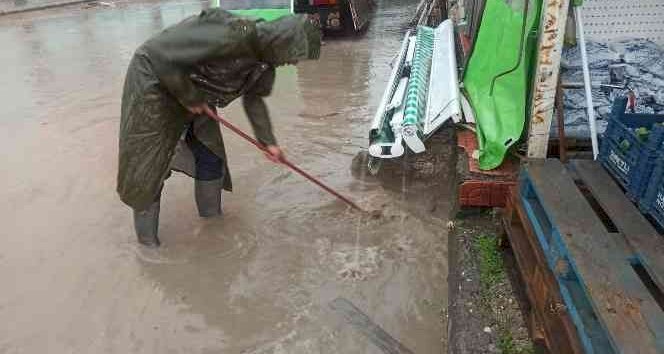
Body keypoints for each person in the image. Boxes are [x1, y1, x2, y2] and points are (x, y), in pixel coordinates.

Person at [117, 9, 322, 247]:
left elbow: (254, 100)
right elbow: (159, 55)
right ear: (283, 43)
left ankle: (212, 226)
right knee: (148, 169)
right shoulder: (232, 34)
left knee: (211, 155)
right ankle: (148, 247)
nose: (294, 62)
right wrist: (189, 97)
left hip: (196, 93)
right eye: (296, 55)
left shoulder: (266, 63)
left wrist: (268, 142)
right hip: (155, 81)